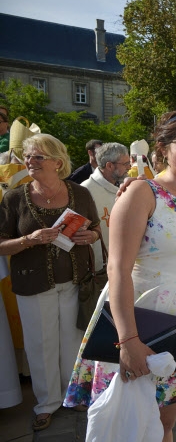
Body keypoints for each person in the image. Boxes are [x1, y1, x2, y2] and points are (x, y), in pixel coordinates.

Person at [64, 111, 176, 442]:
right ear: (162, 149)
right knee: (126, 425)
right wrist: (128, 340)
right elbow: (117, 269)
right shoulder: (141, 193)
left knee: (163, 425)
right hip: (138, 318)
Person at [0, 133, 100, 432]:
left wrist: (90, 236)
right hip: (33, 283)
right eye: (28, 156)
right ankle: (46, 404)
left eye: (38, 156)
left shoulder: (79, 193)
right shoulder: (14, 197)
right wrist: (27, 240)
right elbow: (1, 243)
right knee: (40, 345)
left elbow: (94, 229)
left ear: (57, 162)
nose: (30, 161)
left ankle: (74, 396)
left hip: (74, 281)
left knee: (72, 341)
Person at [80, 142, 130, 269]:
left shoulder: (124, 186)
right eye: (125, 164)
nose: (129, 167)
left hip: (125, 260)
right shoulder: (86, 191)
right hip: (100, 267)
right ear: (109, 165)